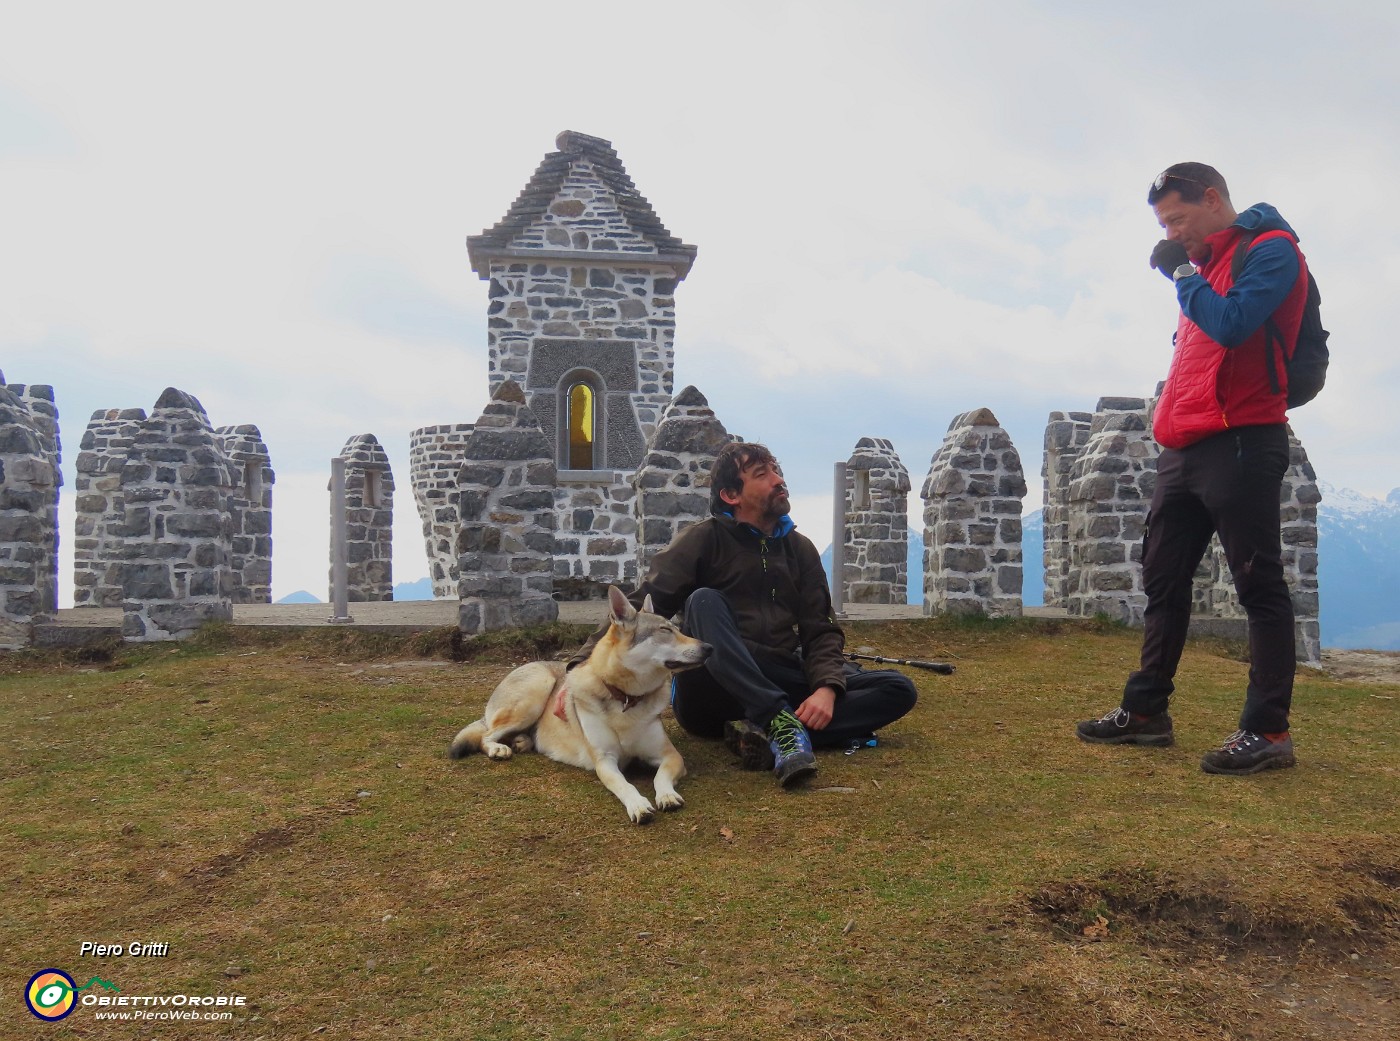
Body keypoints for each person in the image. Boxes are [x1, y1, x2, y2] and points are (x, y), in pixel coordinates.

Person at [1077, 162, 1311, 775]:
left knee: (1258, 585)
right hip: (1183, 448)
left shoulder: (1273, 251)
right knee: (1163, 580)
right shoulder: (1205, 269)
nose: (1173, 233)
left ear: (1212, 200)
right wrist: (1192, 271)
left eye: (1178, 219)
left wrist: (1182, 272)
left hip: (1241, 440)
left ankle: (1268, 731)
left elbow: (1234, 325)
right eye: (1165, 225)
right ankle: (1147, 712)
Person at [570, 441, 917, 787]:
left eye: (777, 471)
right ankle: (781, 721)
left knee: (896, 689)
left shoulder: (800, 550)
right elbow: (643, 603)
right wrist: (578, 667)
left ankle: (769, 732)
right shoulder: (703, 540)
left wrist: (827, 688)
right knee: (704, 601)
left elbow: (821, 630)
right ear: (732, 495)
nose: (778, 480)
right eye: (762, 475)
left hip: (777, 673)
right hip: (712, 687)